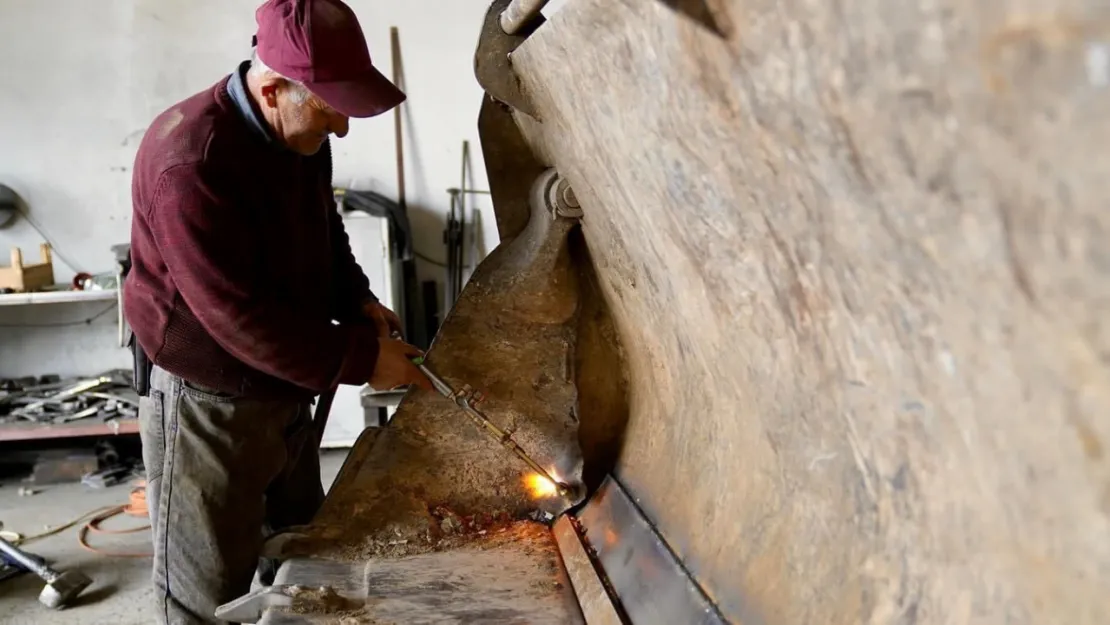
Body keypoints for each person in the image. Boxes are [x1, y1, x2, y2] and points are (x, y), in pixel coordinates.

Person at [123, 0, 430, 622]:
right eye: (327, 112)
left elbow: (324, 226)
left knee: (298, 565)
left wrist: (358, 300)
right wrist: (365, 360)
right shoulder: (192, 161)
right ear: (270, 87)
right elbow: (233, 317)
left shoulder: (299, 134)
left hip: (284, 383)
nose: (339, 131)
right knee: (206, 596)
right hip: (209, 399)